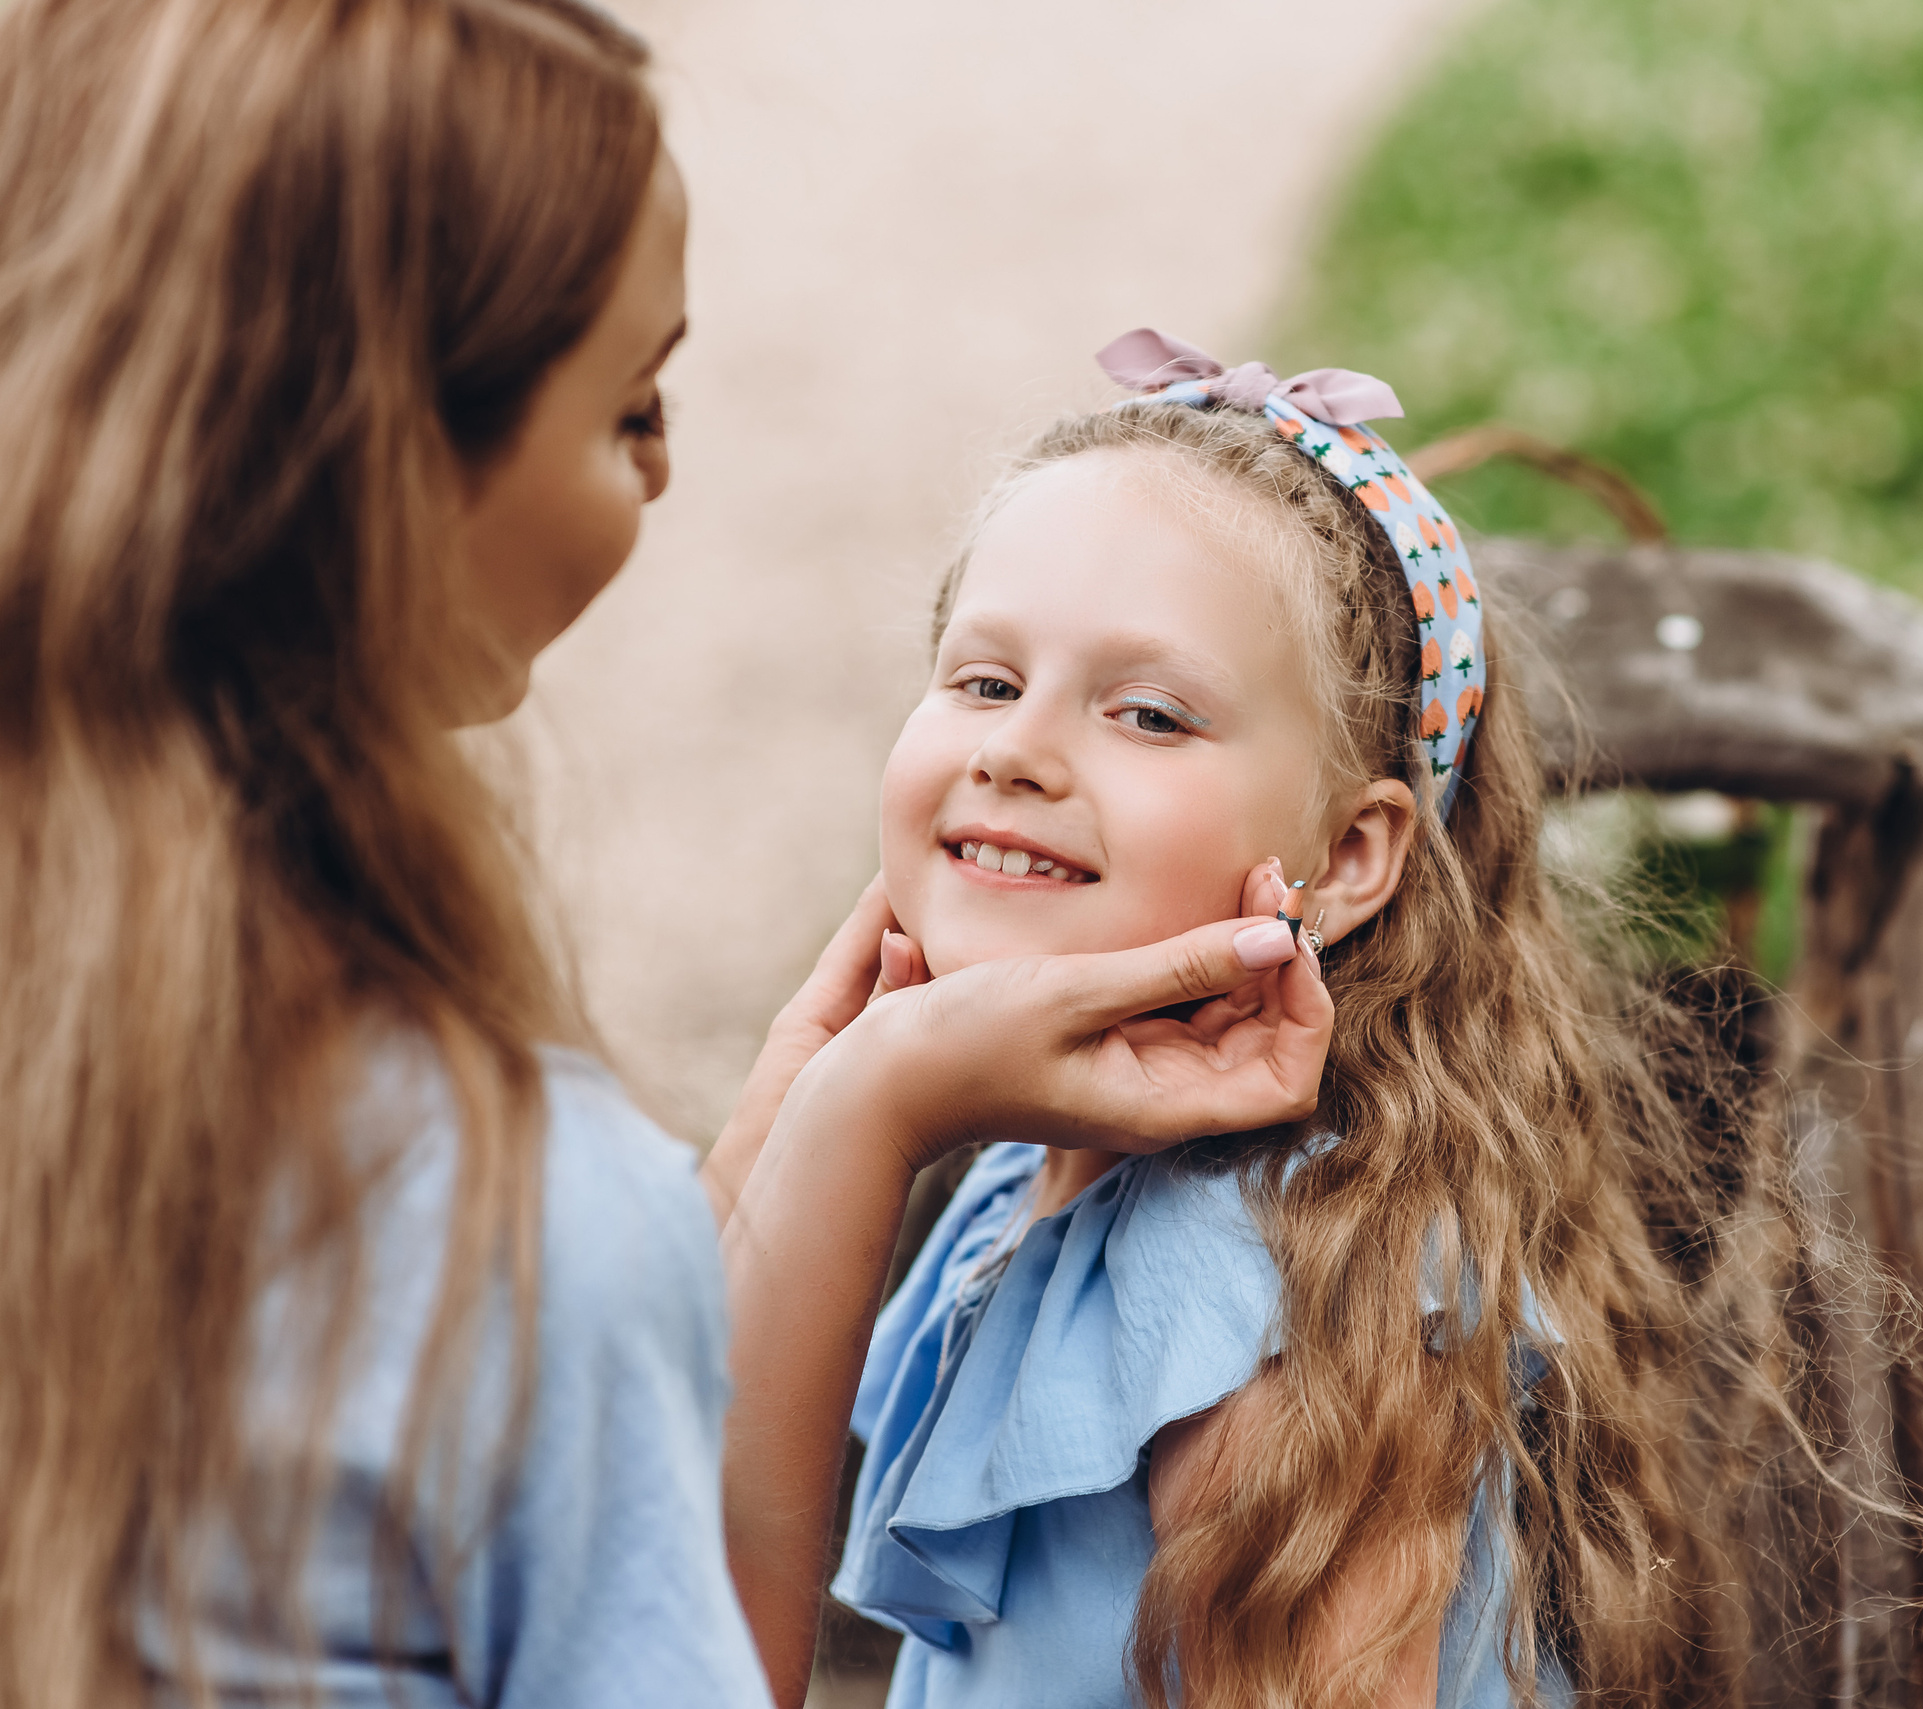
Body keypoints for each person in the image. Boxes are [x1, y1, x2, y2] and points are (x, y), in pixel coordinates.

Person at [0, 8, 1326, 1708]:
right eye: (629, 405)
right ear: (393, 463)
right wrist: (865, 1123)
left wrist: (736, 1197)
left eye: (1146, 713)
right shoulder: (505, 1209)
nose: (664, 463)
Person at [816, 333, 1787, 1709]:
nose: (1015, 749)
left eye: (1149, 713)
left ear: (1342, 860)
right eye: (983, 679)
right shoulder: (1024, 1177)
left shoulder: (1267, 1304)